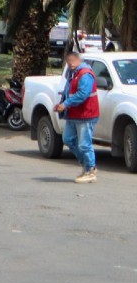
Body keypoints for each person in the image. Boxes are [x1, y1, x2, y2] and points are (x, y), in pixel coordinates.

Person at [54, 52, 99, 184]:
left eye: (69, 63)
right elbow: (68, 92)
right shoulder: (73, 74)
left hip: (86, 115)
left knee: (84, 144)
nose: (69, 65)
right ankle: (86, 166)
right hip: (74, 114)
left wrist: (66, 104)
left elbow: (82, 94)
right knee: (68, 139)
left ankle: (90, 170)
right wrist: (61, 105)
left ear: (73, 61)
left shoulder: (85, 74)